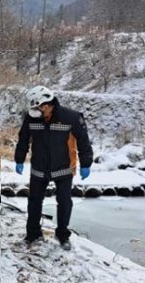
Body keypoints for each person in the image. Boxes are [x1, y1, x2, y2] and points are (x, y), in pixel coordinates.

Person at [14, 85, 93, 251]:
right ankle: (33, 234)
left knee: (64, 202)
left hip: (63, 168)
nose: (34, 111)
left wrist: (86, 163)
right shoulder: (31, 118)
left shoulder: (71, 117)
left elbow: (84, 142)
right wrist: (19, 159)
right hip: (39, 168)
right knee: (34, 202)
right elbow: (23, 139)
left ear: (46, 105)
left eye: (37, 107)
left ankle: (63, 235)